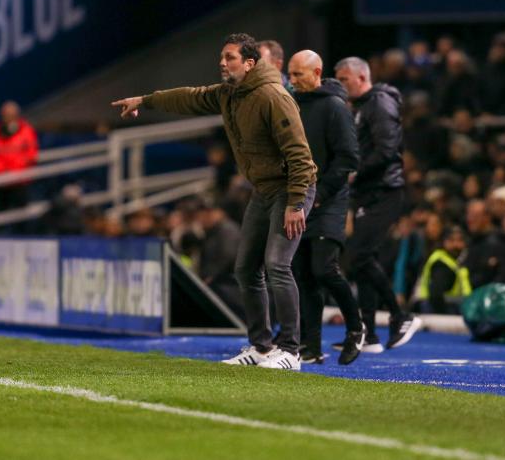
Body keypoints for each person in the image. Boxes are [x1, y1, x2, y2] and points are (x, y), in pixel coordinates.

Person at [112, 33, 317, 370]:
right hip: (263, 190)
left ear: (250, 63)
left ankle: (292, 351)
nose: (222, 63)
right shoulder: (230, 94)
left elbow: (300, 156)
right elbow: (189, 98)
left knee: (278, 265)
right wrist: (144, 100)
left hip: (290, 189)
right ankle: (262, 347)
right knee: (245, 268)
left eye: (230, 58)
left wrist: (296, 203)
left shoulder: (273, 96)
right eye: (222, 57)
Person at [335, 56, 421, 352]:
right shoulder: (362, 106)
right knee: (362, 260)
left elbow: (387, 150)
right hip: (368, 190)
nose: (341, 86)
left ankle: (401, 316)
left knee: (358, 256)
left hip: (384, 190)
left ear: (361, 78)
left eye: (344, 80)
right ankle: (369, 335)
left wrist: (355, 172)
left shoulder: (379, 103)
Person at [287, 50, 365, 365]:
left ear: (317, 72)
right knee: (304, 273)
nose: (292, 81)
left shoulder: (334, 107)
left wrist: (320, 194)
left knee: (323, 268)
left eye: (298, 75)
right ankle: (311, 346)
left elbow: (348, 157)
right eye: (290, 75)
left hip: (328, 200)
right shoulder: (292, 105)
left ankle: (355, 328)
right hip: (300, 200)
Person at [0, 100, 39, 215]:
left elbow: (31, 154)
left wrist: (13, 172)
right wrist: (1, 170)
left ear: (17, 115)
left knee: (21, 218)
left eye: (11, 115)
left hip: (19, 182)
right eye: (5, 115)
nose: (8, 117)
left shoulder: (26, 131)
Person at [415, 226, 472, 314]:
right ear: (444, 241)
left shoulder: (455, 262)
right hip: (434, 311)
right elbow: (436, 294)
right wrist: (443, 317)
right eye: (451, 240)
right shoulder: (441, 263)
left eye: (460, 240)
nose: (456, 244)